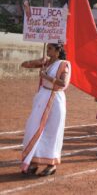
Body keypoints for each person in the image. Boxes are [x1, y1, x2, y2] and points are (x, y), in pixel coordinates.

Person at [20, 44, 71, 176]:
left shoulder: (63, 64)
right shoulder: (46, 63)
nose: (48, 51)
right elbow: (24, 65)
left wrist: (46, 76)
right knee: (34, 128)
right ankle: (34, 161)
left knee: (52, 132)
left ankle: (51, 164)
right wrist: (37, 61)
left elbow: (63, 83)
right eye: (47, 48)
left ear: (58, 51)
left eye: (50, 49)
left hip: (55, 99)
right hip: (42, 98)